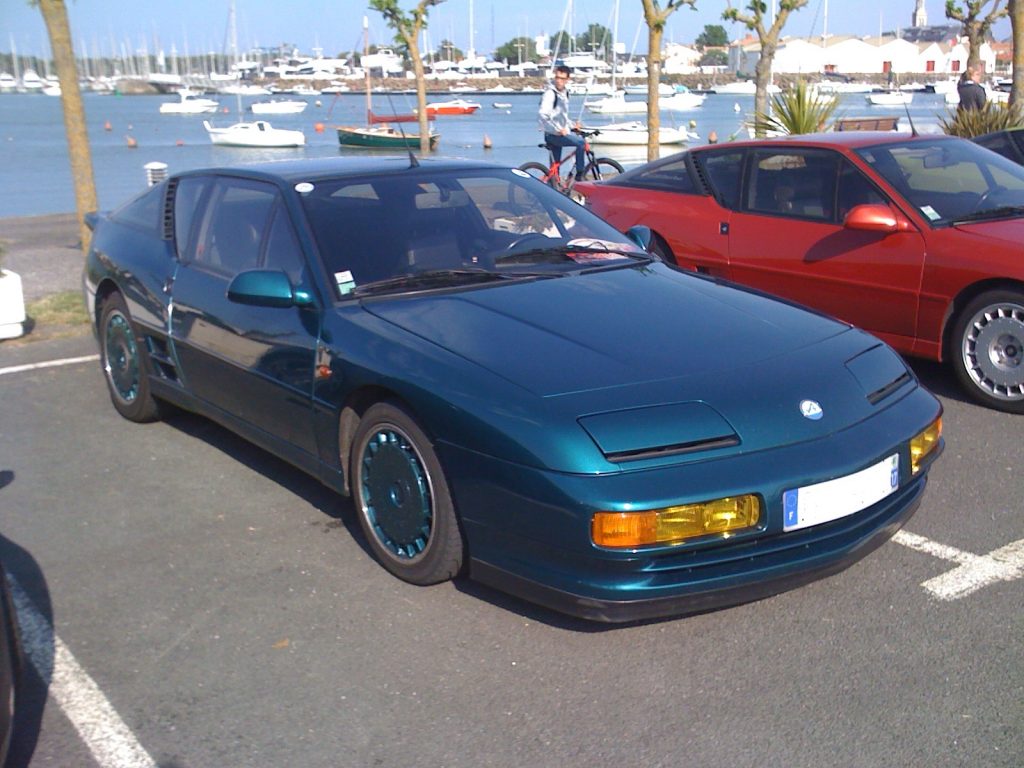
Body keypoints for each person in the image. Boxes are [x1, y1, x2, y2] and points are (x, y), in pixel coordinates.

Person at [538, 65, 586, 181]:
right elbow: (543, 115)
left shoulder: (565, 93)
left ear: (568, 80)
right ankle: (580, 174)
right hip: (552, 135)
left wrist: (573, 125)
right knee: (581, 143)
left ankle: (551, 190)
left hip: (558, 134)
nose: (559, 81)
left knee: (555, 171)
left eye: (562, 78)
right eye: (557, 77)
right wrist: (557, 130)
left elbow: (562, 117)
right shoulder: (550, 94)